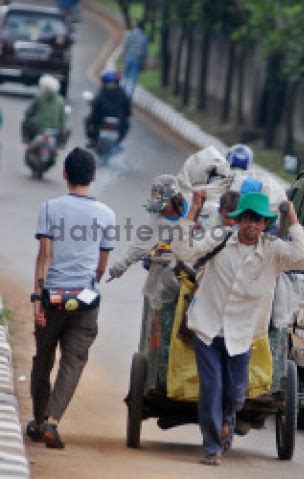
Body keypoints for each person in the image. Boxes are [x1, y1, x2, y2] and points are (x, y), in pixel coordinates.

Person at [172, 191, 304, 466]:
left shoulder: (273, 250)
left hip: (243, 333)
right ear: (238, 220)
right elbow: (183, 250)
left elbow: (301, 257)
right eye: (248, 219)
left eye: (258, 220)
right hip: (208, 328)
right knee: (211, 388)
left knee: (235, 393)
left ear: (264, 224)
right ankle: (212, 447)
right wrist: (193, 210)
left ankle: (227, 421)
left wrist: (292, 218)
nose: (252, 225)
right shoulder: (220, 239)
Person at [27, 147, 116, 449]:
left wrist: (38, 300)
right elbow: (101, 266)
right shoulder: (107, 215)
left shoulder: (50, 208)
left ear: (64, 174)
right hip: (86, 299)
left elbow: (44, 257)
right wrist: (88, 286)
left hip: (52, 296)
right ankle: (52, 421)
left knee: (43, 358)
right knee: (73, 361)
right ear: (93, 176)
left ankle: (38, 421)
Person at [109, 174, 188, 281]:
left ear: (174, 199)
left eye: (162, 203)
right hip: (171, 261)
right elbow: (138, 247)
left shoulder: (194, 204)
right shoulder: (155, 220)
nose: (158, 207)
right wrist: (118, 268)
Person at [85, 71, 131, 148]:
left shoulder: (102, 92)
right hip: (116, 122)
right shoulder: (122, 92)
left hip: (105, 120)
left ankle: (93, 140)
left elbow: (95, 106)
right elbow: (128, 111)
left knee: (88, 121)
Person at [22, 75, 67, 144]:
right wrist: (63, 131)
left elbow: (29, 112)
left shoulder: (39, 98)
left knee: (26, 123)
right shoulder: (61, 100)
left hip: (39, 129)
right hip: (56, 131)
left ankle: (27, 141)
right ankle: (60, 145)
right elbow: (63, 118)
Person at [121, 19, 148, 97]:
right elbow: (144, 51)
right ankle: (129, 96)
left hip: (128, 56)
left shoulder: (130, 34)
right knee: (133, 78)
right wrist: (143, 62)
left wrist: (123, 56)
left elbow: (125, 45)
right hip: (137, 59)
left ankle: (122, 93)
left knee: (125, 76)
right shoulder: (144, 37)